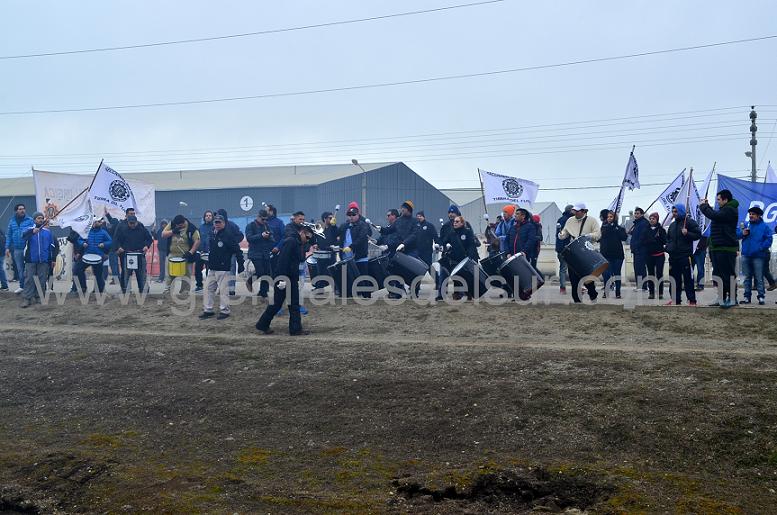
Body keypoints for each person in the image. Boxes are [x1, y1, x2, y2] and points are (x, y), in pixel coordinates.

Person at [255, 224, 315, 335]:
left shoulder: (298, 243)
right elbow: (283, 260)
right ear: (301, 232)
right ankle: (294, 329)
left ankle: (263, 324)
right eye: (307, 237)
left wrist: (308, 251)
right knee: (291, 304)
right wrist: (282, 278)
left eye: (309, 239)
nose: (308, 240)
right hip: (285, 277)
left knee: (281, 304)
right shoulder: (291, 241)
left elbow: (300, 258)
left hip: (289, 277)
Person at [699, 189, 740, 308]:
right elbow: (715, 215)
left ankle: (732, 299)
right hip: (717, 247)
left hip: (726, 247)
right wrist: (707, 206)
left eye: (718, 200)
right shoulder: (724, 210)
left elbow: (714, 215)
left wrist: (704, 207)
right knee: (718, 275)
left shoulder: (730, 210)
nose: (717, 202)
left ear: (725, 200)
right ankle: (721, 298)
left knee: (727, 274)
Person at [199, 215, 245, 320]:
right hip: (213, 267)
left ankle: (225, 310)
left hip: (224, 268)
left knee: (224, 290)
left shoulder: (228, 235)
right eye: (216, 222)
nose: (217, 224)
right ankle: (208, 310)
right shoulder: (212, 234)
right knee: (208, 289)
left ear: (224, 223)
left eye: (219, 222)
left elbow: (237, 250)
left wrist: (241, 264)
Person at [557, 203, 601, 303]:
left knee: (587, 276)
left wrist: (588, 236)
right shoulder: (570, 220)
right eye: (574, 211)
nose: (575, 213)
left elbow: (598, 234)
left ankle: (593, 294)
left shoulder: (592, 221)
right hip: (573, 251)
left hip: (586, 250)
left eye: (578, 211)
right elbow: (565, 232)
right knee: (573, 277)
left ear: (584, 211)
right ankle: (576, 299)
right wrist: (561, 234)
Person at [20, 212, 59, 307]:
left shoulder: (48, 232)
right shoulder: (29, 230)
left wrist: (53, 259)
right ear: (34, 220)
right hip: (30, 260)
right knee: (29, 279)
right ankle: (27, 298)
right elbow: (22, 236)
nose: (40, 220)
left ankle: (39, 297)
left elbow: (52, 247)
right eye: (38, 218)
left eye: (42, 218)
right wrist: (32, 232)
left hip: (44, 260)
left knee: (42, 280)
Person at [665, 204, 701, 306]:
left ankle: (692, 300)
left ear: (681, 211)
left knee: (688, 279)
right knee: (674, 279)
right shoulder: (672, 225)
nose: (674, 214)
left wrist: (687, 233)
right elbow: (668, 238)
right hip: (673, 257)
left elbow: (698, 234)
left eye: (676, 211)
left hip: (685, 256)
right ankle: (675, 299)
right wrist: (668, 247)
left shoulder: (689, 222)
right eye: (673, 212)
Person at [736, 206, 773, 305]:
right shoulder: (746, 224)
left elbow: (769, 239)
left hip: (758, 256)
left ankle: (761, 297)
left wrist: (761, 248)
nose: (751, 216)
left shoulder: (764, 226)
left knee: (759, 277)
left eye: (753, 214)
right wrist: (742, 233)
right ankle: (747, 297)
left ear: (758, 215)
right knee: (747, 277)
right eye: (750, 214)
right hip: (746, 255)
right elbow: (737, 234)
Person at [439, 215, 480, 299]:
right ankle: (456, 293)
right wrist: (445, 245)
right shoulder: (451, 233)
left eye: (457, 222)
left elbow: (471, 245)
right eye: (454, 222)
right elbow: (444, 242)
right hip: (455, 258)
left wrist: (470, 257)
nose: (455, 223)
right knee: (455, 277)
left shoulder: (467, 232)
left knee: (467, 277)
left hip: (465, 259)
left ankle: (469, 293)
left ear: (462, 223)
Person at [337, 205, 371, 298]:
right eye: (349, 215)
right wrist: (331, 226)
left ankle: (366, 295)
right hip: (347, 257)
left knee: (363, 277)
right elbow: (335, 234)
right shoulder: (344, 226)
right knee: (349, 278)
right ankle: (352, 294)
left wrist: (351, 247)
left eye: (353, 214)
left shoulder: (363, 225)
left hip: (360, 256)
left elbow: (362, 237)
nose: (351, 216)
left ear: (358, 215)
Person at [113, 215, 153, 294]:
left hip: (139, 254)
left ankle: (143, 290)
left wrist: (146, 246)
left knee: (141, 274)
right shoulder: (124, 230)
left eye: (133, 223)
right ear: (128, 223)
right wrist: (119, 247)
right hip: (128, 254)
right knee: (127, 273)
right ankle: (126, 290)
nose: (132, 225)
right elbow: (117, 240)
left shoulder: (142, 230)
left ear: (136, 222)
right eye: (130, 223)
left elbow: (149, 239)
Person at [161, 215, 201, 293]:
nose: (178, 226)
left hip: (186, 255)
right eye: (177, 225)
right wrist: (173, 231)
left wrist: (191, 252)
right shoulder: (172, 224)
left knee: (186, 274)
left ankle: (185, 291)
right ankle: (168, 289)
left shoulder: (191, 228)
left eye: (180, 225)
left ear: (183, 223)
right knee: (170, 273)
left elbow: (197, 240)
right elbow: (163, 234)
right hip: (172, 254)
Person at [74, 218, 113, 294]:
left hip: (98, 256)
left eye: (100, 221)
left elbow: (110, 241)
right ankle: (83, 287)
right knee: (78, 269)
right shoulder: (87, 231)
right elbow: (79, 239)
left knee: (98, 274)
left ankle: (100, 290)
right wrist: (83, 243)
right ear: (94, 223)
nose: (100, 223)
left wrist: (104, 244)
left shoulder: (103, 232)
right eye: (98, 222)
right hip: (87, 255)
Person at [5, 203, 34, 293]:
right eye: (20, 209)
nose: (22, 210)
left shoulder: (30, 220)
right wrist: (7, 247)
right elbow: (9, 235)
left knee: (29, 269)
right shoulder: (12, 221)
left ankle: (31, 287)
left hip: (28, 248)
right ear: (16, 211)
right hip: (17, 249)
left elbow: (34, 232)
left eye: (23, 209)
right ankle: (22, 286)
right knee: (20, 269)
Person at [245, 209, 274, 297]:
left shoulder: (266, 226)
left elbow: (272, 238)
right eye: (263, 219)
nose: (264, 221)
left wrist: (269, 236)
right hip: (255, 253)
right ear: (258, 217)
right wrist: (261, 235)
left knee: (267, 273)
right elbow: (249, 238)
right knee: (260, 271)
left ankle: (263, 292)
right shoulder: (250, 226)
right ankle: (249, 281)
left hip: (265, 253)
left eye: (266, 219)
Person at [599, 210, 627, 299]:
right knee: (607, 274)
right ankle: (606, 291)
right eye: (608, 217)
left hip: (617, 255)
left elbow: (624, 237)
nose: (609, 218)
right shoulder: (604, 227)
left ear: (615, 218)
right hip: (606, 254)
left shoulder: (619, 228)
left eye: (611, 217)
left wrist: (617, 228)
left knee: (617, 274)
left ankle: (618, 292)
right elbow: (600, 237)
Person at [311, 211, 338, 292]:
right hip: (321, 253)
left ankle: (337, 288)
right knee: (321, 271)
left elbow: (337, 234)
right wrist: (315, 244)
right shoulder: (319, 228)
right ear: (324, 219)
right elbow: (313, 238)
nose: (331, 219)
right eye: (330, 218)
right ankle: (319, 287)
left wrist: (334, 225)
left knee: (333, 271)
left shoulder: (333, 228)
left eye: (332, 218)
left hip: (331, 253)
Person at [641, 212, 667, 300]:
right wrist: (651, 240)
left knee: (659, 274)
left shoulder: (661, 230)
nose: (652, 220)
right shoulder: (646, 230)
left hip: (659, 255)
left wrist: (658, 238)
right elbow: (643, 241)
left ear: (657, 220)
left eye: (653, 219)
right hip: (649, 255)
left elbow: (665, 241)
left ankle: (660, 293)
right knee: (651, 274)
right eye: (650, 218)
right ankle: (651, 293)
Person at [628, 207, 649, 292]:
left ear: (642, 214)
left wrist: (636, 245)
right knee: (637, 268)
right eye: (635, 213)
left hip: (641, 250)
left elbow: (642, 237)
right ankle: (639, 286)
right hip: (636, 250)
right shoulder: (637, 223)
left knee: (641, 268)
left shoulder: (644, 223)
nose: (636, 215)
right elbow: (637, 234)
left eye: (637, 213)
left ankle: (643, 286)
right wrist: (631, 232)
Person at [555, 204, 573, 294]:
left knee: (562, 268)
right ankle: (579, 286)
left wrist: (559, 248)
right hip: (568, 248)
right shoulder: (570, 220)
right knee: (576, 268)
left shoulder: (560, 220)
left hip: (559, 248)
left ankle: (562, 288)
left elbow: (558, 235)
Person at [194, 210, 214, 292]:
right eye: (207, 215)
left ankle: (210, 287)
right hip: (200, 252)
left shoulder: (215, 227)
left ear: (212, 217)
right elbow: (197, 239)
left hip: (210, 253)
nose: (208, 217)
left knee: (209, 271)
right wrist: (198, 249)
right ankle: (199, 286)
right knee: (197, 269)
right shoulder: (201, 227)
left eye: (210, 215)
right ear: (204, 217)